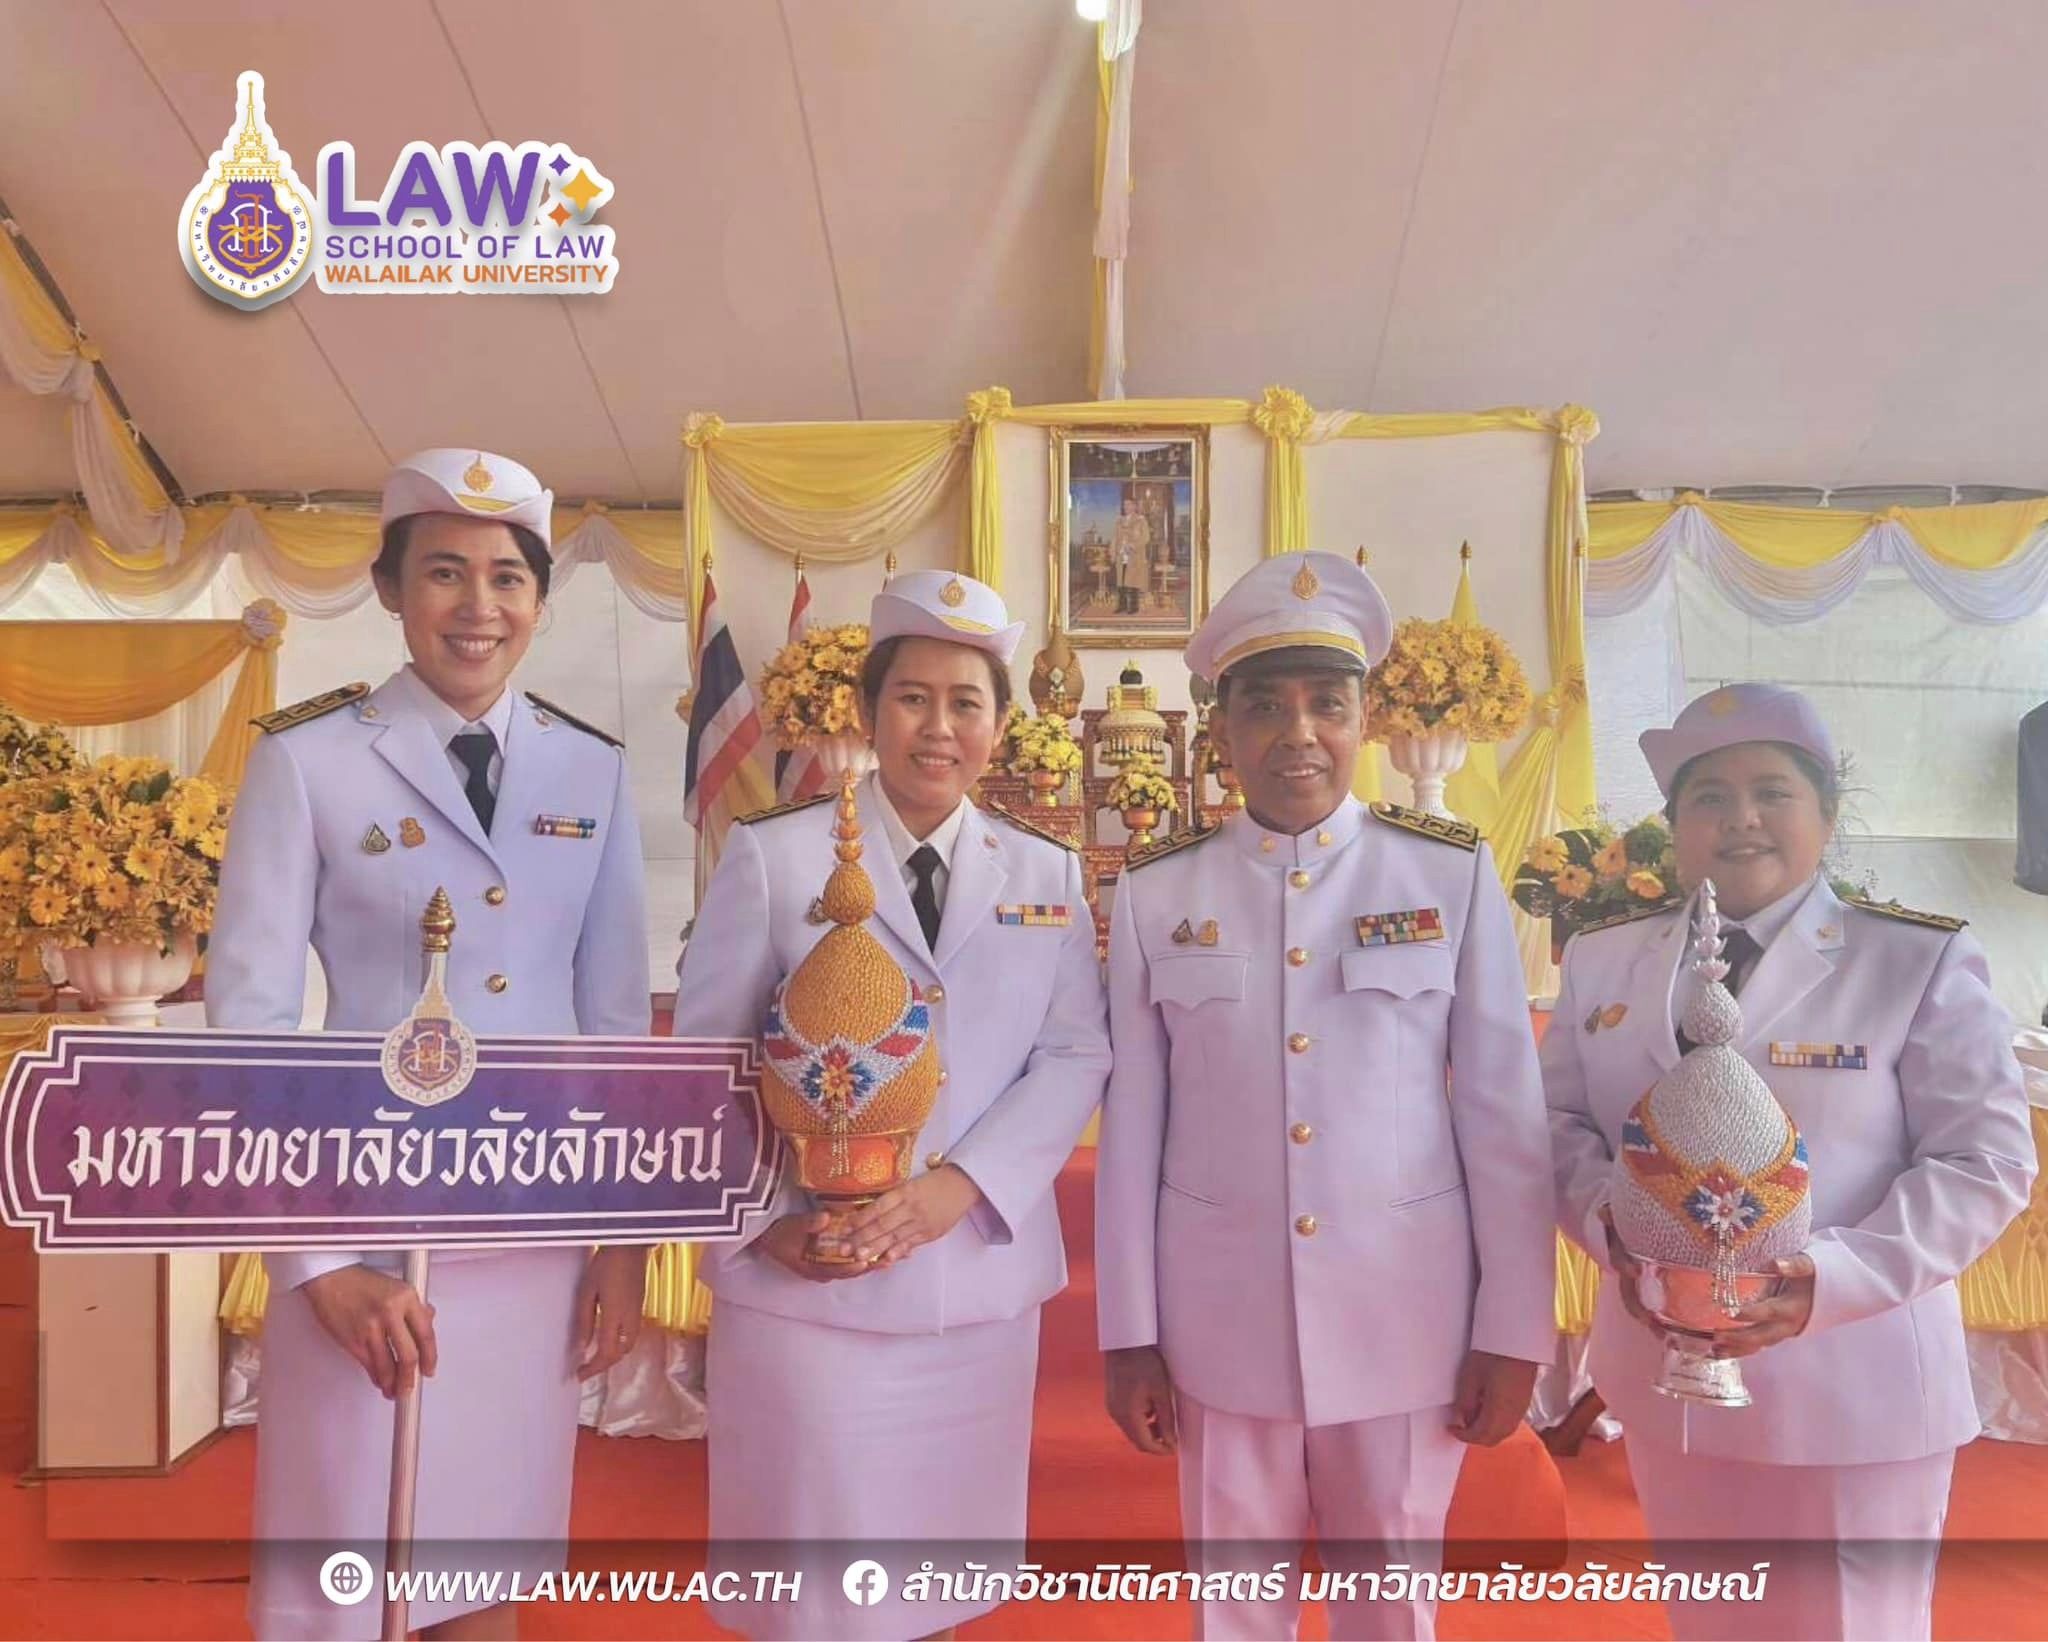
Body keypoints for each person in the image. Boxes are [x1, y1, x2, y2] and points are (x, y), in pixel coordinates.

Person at [208, 448, 652, 1640]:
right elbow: (249, 1028)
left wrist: (618, 1247)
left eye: (507, 577)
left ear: (539, 600)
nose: (478, 605)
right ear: (390, 589)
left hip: (529, 1238)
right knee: (344, 1572)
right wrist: (316, 1266)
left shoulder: (591, 768)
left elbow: (615, 1029)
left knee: (484, 1573)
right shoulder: (307, 758)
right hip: (362, 1236)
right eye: (444, 572)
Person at [1095, 550, 1557, 1640]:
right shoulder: (1159, 890)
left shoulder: (1444, 872)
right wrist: (1128, 1333)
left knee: (1390, 1603)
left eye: (1326, 704)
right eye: (1264, 704)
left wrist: (1513, 1327)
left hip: (1406, 1314)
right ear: (1221, 728)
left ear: (1363, 722)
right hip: (1219, 1321)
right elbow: (1133, 1126)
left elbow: (1502, 1111)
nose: (1297, 732)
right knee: (1235, 1611)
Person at [1544, 683, 2037, 1641]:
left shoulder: (1911, 960)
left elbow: (1984, 1161)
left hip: (1854, 1382)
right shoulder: (1606, 962)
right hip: (1669, 1380)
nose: (1742, 819)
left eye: (1772, 791)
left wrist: (1829, 1281)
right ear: (1674, 825)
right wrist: (1616, 1223)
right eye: (1709, 797)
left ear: (1828, 815)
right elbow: (1558, 1123)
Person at [674, 568, 1111, 1639]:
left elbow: (1072, 1053)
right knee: (811, 1589)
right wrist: (762, 1228)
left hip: (972, 1289)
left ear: (999, 725)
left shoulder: (1045, 873)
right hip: (810, 1285)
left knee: (938, 1582)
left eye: (966, 702)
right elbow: (708, 1063)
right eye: (913, 697)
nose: (938, 727)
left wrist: (958, 1187)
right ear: (870, 712)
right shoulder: (777, 856)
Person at [1114, 491, 1152, 614]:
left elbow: (1146, 537)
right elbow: (1115, 538)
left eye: (1129, 504)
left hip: (1135, 556)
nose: (1126, 507)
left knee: (1133, 582)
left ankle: (1133, 607)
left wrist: (1133, 545)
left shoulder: (1141, 520)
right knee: (1121, 582)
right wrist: (1114, 552)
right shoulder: (1119, 520)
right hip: (1121, 555)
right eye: (1124, 505)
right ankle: (1122, 605)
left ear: (1134, 506)